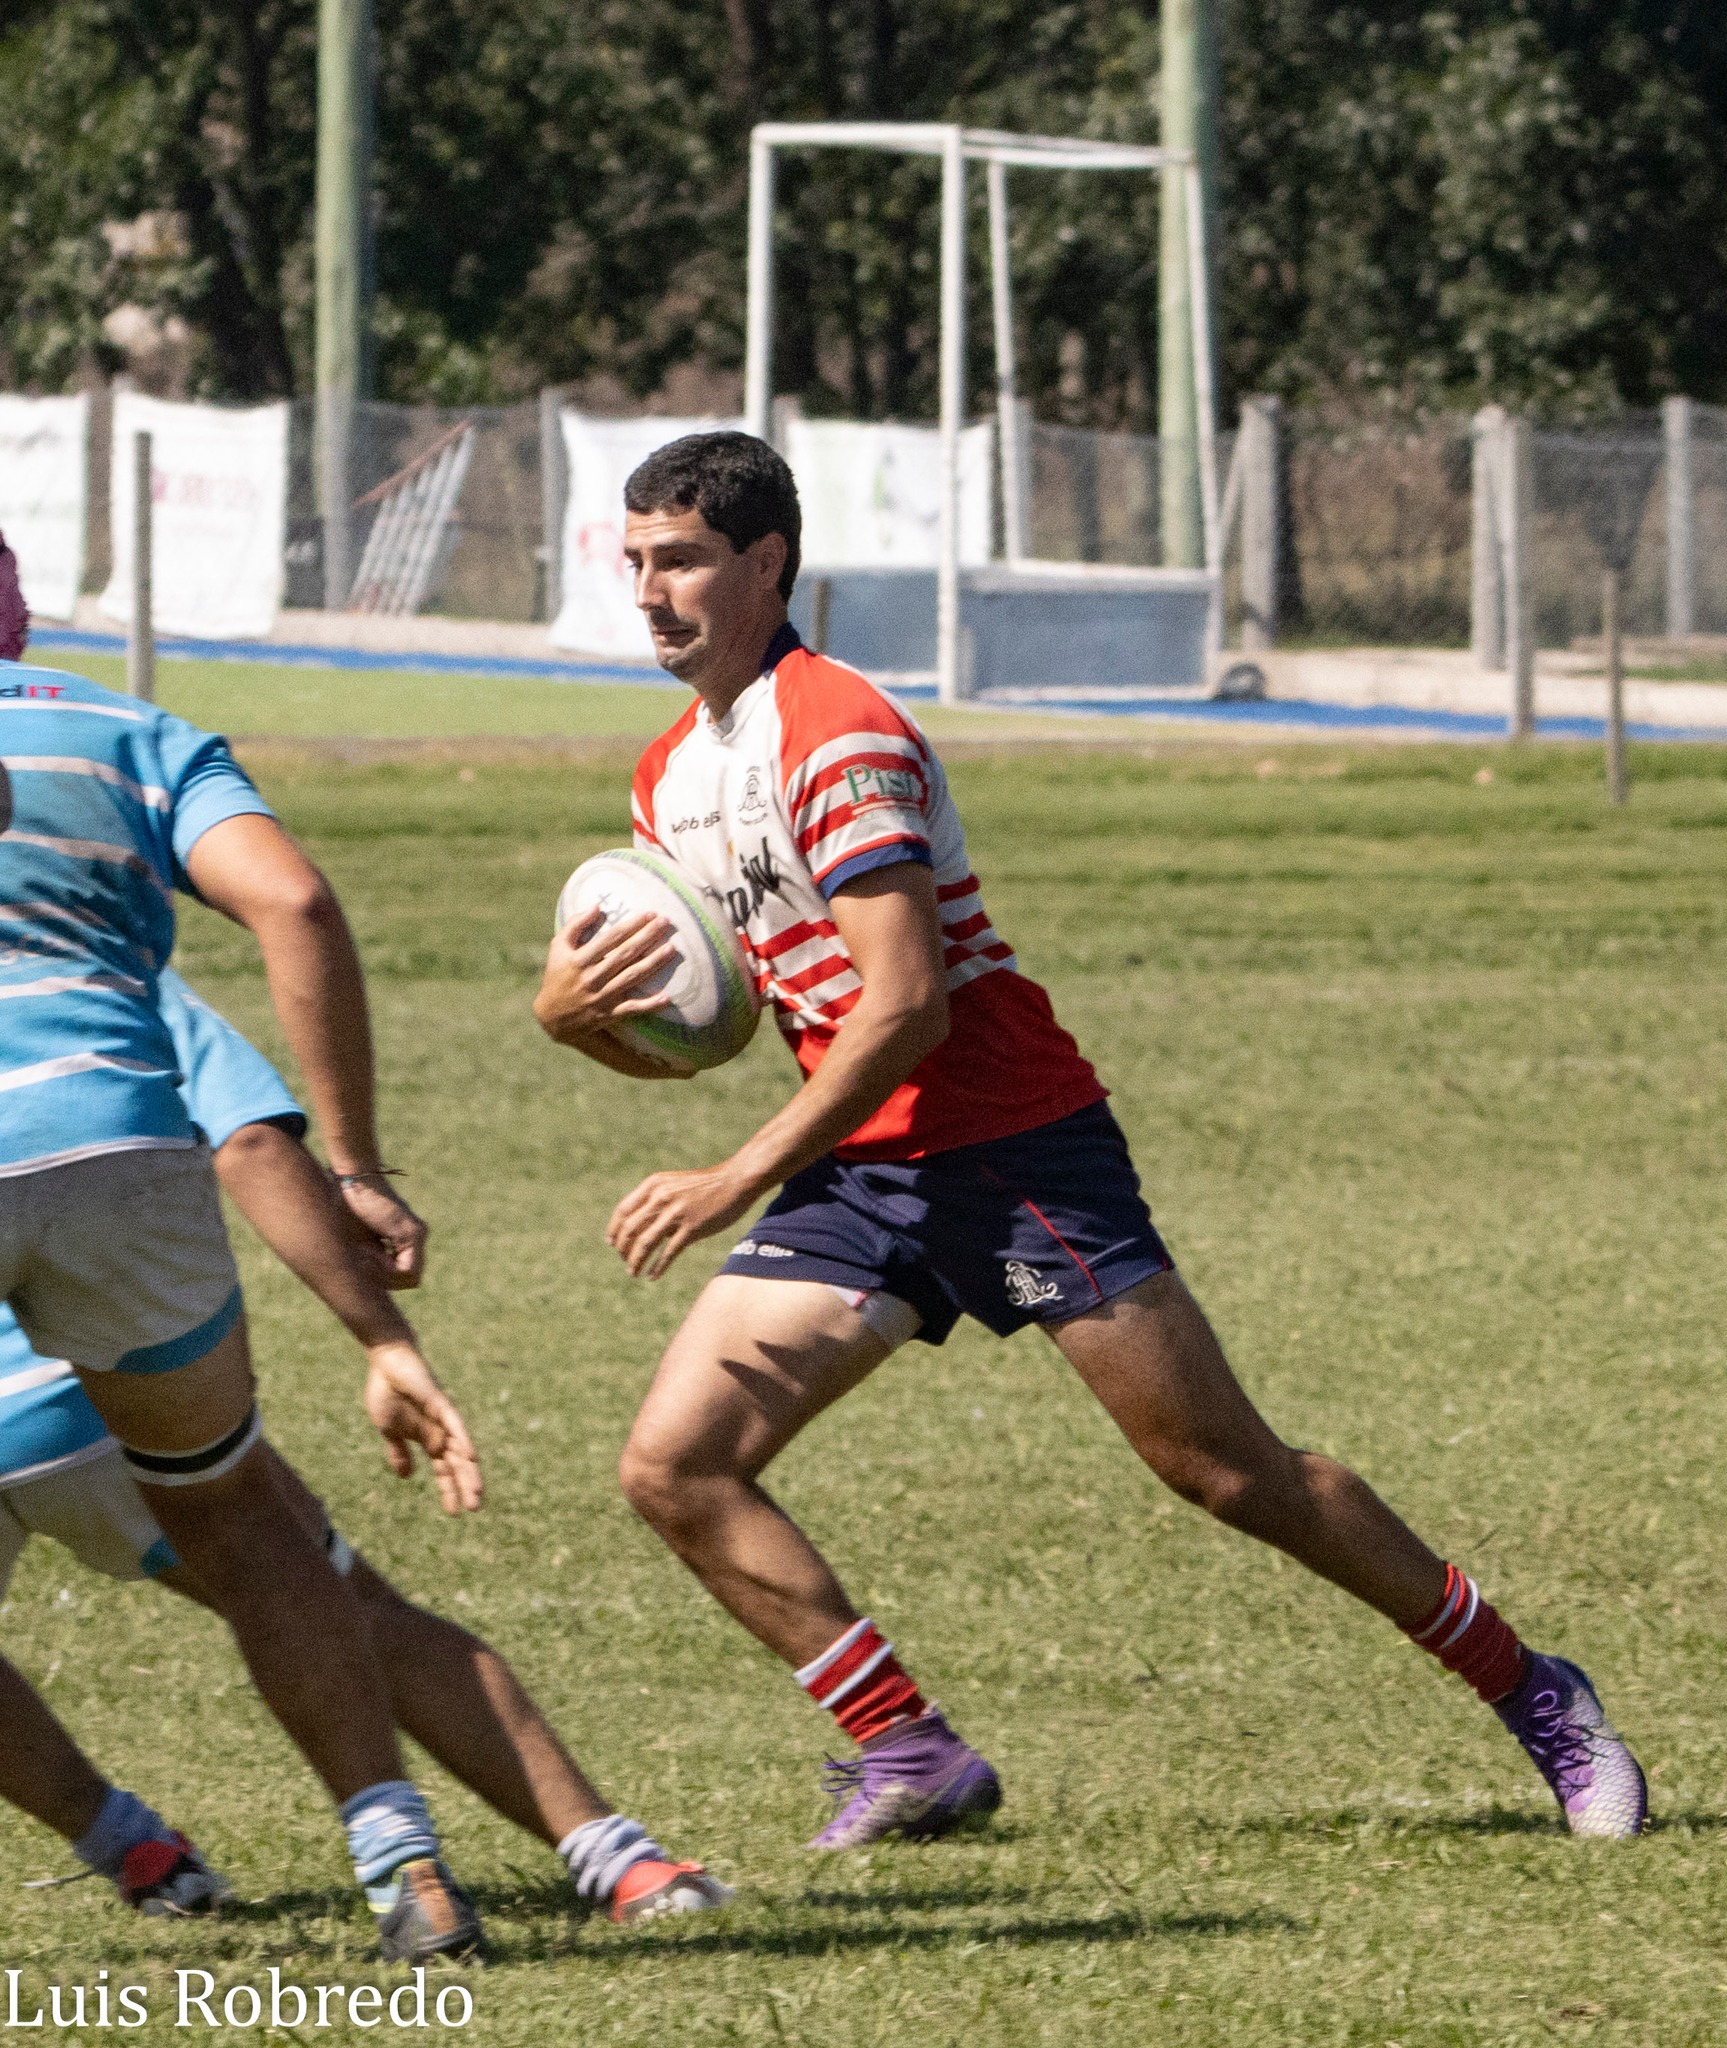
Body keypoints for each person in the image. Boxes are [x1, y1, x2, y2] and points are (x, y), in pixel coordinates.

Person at [532, 433, 1648, 1851]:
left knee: (1227, 1472)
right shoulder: (668, 778)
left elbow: (908, 1007)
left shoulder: (840, 736)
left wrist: (734, 1172)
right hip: (863, 1171)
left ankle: (1534, 1691)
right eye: (632, 561)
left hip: (1009, 1148)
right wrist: (575, 1019)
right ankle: (910, 1751)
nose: (649, 592)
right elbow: (754, 1012)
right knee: (672, 1465)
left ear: (763, 563)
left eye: (679, 559)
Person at [0, 964, 732, 1927]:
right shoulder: (91, 959)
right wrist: (381, 1337)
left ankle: (133, 1851)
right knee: (341, 1607)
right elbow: (253, 1139)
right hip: (92, 1400)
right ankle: (618, 1863)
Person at [0, 552, 486, 1960]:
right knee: (236, 1519)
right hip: (121, 1160)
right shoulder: (128, 733)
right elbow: (295, 905)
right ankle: (404, 1870)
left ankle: (116, 1838)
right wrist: (357, 1167)